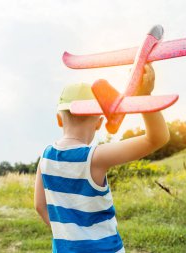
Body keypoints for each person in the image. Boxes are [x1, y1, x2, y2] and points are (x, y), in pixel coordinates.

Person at [34, 64, 170, 252]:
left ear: (59, 119)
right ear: (99, 123)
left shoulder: (45, 157)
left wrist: (69, 234)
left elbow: (40, 206)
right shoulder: (95, 158)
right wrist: (144, 95)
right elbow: (157, 138)